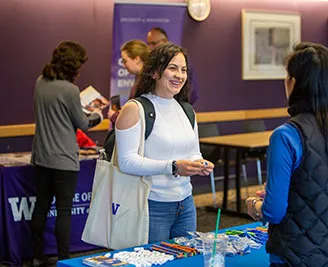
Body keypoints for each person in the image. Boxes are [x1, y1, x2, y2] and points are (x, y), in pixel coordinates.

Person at [246, 42, 328, 266]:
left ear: (294, 83)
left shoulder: (286, 135)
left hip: (294, 257)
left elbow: (274, 211)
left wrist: (254, 204)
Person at [115, 43, 214, 243]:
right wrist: (174, 167)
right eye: (172, 68)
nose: (179, 75)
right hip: (151, 205)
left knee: (186, 261)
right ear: (154, 73)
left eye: (183, 70)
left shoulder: (187, 110)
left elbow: (194, 152)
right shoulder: (135, 109)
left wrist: (199, 164)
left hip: (186, 204)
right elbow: (126, 162)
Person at [31, 41, 103, 265]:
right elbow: (82, 123)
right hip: (64, 160)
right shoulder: (70, 90)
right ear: (74, 65)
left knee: (41, 206)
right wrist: (98, 115)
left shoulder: (40, 82)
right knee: (64, 211)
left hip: (41, 157)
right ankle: (64, 259)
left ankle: (36, 257)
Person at [147, 27, 199, 104]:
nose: (150, 47)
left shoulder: (182, 60)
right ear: (154, 73)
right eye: (148, 44)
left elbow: (193, 93)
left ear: (165, 41)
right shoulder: (140, 106)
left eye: (154, 43)